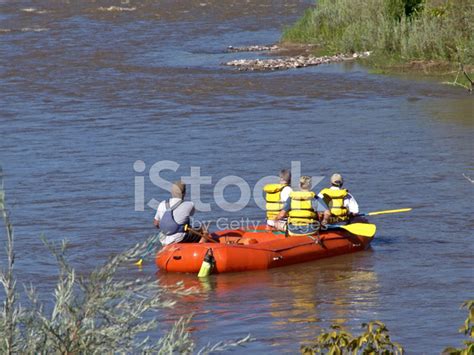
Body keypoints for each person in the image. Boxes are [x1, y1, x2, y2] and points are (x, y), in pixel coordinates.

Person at [153, 180, 206, 245]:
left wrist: (168, 228)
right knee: (204, 231)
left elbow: (156, 223)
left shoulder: (162, 204)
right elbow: (190, 215)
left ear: (172, 192)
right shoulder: (189, 204)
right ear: (184, 193)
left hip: (163, 239)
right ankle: (199, 250)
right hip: (179, 238)